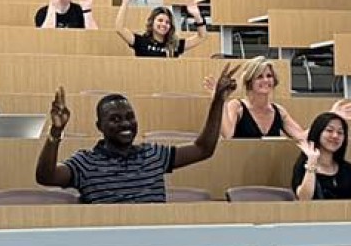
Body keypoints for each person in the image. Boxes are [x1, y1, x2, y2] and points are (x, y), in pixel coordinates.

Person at [36, 67, 238, 203]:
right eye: (115, 119)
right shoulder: (85, 163)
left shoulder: (154, 154)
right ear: (100, 126)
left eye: (129, 117)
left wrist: (218, 101)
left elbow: (203, 149)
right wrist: (56, 131)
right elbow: (46, 176)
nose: (125, 124)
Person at [219, 58, 351, 141]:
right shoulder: (236, 106)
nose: (266, 80)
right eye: (259, 77)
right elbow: (227, 135)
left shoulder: (278, 111)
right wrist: (221, 99)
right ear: (249, 82)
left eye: (269, 76)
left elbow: (302, 137)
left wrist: (331, 116)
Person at [292, 111, 351, 201]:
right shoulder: (303, 166)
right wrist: (311, 164)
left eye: (340, 132)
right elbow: (304, 199)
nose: (335, 136)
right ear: (318, 132)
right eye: (329, 130)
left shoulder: (348, 169)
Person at [116, 0, 205, 57]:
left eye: (167, 22)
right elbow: (119, 28)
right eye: (160, 20)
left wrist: (197, 15)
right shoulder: (141, 41)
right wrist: (125, 2)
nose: (164, 24)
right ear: (152, 22)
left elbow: (201, 37)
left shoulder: (175, 45)